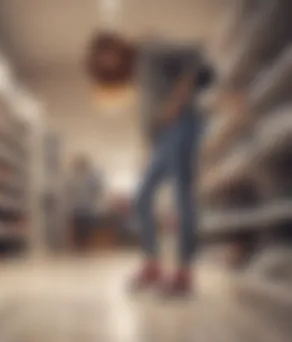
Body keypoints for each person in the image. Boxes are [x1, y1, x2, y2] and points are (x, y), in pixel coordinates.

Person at [86, 33, 214, 295]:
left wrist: (176, 101)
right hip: (162, 139)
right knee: (142, 197)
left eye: (105, 55)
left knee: (182, 196)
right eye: (101, 62)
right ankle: (153, 265)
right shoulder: (136, 71)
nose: (106, 63)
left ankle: (183, 274)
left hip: (181, 125)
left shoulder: (150, 49)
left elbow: (195, 53)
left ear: (115, 46)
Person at [67, 155, 103, 252]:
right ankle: (79, 250)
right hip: (77, 210)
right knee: (78, 232)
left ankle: (86, 250)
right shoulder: (73, 178)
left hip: (88, 210)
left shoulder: (92, 177)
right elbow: (69, 193)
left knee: (87, 231)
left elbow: (97, 190)